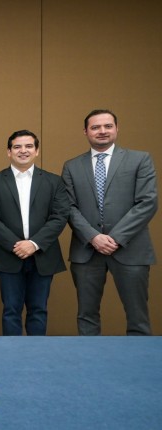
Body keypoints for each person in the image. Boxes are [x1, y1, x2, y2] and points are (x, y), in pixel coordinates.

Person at [62, 109, 158, 336]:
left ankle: (139, 356)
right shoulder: (72, 166)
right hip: (87, 251)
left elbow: (147, 202)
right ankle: (90, 357)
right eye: (95, 127)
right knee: (86, 315)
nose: (102, 131)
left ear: (117, 128)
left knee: (137, 316)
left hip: (131, 249)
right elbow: (68, 207)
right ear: (86, 131)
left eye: (108, 126)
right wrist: (94, 237)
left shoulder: (139, 159)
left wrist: (115, 238)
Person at [0, 130, 69, 336]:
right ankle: (12, 354)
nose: (23, 151)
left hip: (43, 255)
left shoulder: (54, 181)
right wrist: (17, 245)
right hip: (7, 255)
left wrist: (34, 244)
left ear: (36, 151)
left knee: (38, 310)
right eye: (17, 147)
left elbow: (60, 216)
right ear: (9, 152)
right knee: (11, 310)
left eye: (29, 146)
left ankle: (35, 352)